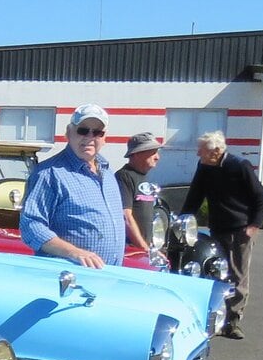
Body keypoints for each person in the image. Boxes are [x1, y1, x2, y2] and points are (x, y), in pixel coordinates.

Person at [181, 130, 263, 339]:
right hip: (218, 228)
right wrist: (183, 221)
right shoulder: (204, 167)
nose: (198, 154)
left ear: (216, 151)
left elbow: (260, 196)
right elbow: (195, 195)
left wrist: (254, 225)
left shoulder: (239, 166)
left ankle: (232, 322)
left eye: (201, 150)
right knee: (216, 272)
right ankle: (214, 318)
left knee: (238, 276)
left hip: (241, 230)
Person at [19, 104, 126, 268]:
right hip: (68, 277)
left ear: (104, 138)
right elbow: (31, 226)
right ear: (68, 133)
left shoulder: (108, 173)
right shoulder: (49, 174)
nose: (89, 137)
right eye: (83, 130)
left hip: (108, 275)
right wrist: (74, 253)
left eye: (97, 132)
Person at [113, 132, 165, 254]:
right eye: (153, 152)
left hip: (144, 249)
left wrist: (150, 248)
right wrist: (145, 248)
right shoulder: (124, 176)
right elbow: (125, 216)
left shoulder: (143, 177)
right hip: (129, 250)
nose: (157, 157)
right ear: (137, 154)